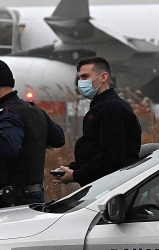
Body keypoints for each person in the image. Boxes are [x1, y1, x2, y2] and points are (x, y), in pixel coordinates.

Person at [0, 59, 65, 207]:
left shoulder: (8, 113)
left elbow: (6, 145)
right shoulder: (34, 111)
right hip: (34, 198)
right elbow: (58, 138)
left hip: (15, 203)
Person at [54, 57, 141, 187]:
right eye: (80, 78)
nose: (81, 82)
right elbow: (95, 151)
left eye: (85, 77)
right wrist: (71, 168)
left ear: (103, 77)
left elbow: (111, 156)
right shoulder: (100, 107)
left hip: (111, 186)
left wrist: (76, 175)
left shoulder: (112, 108)